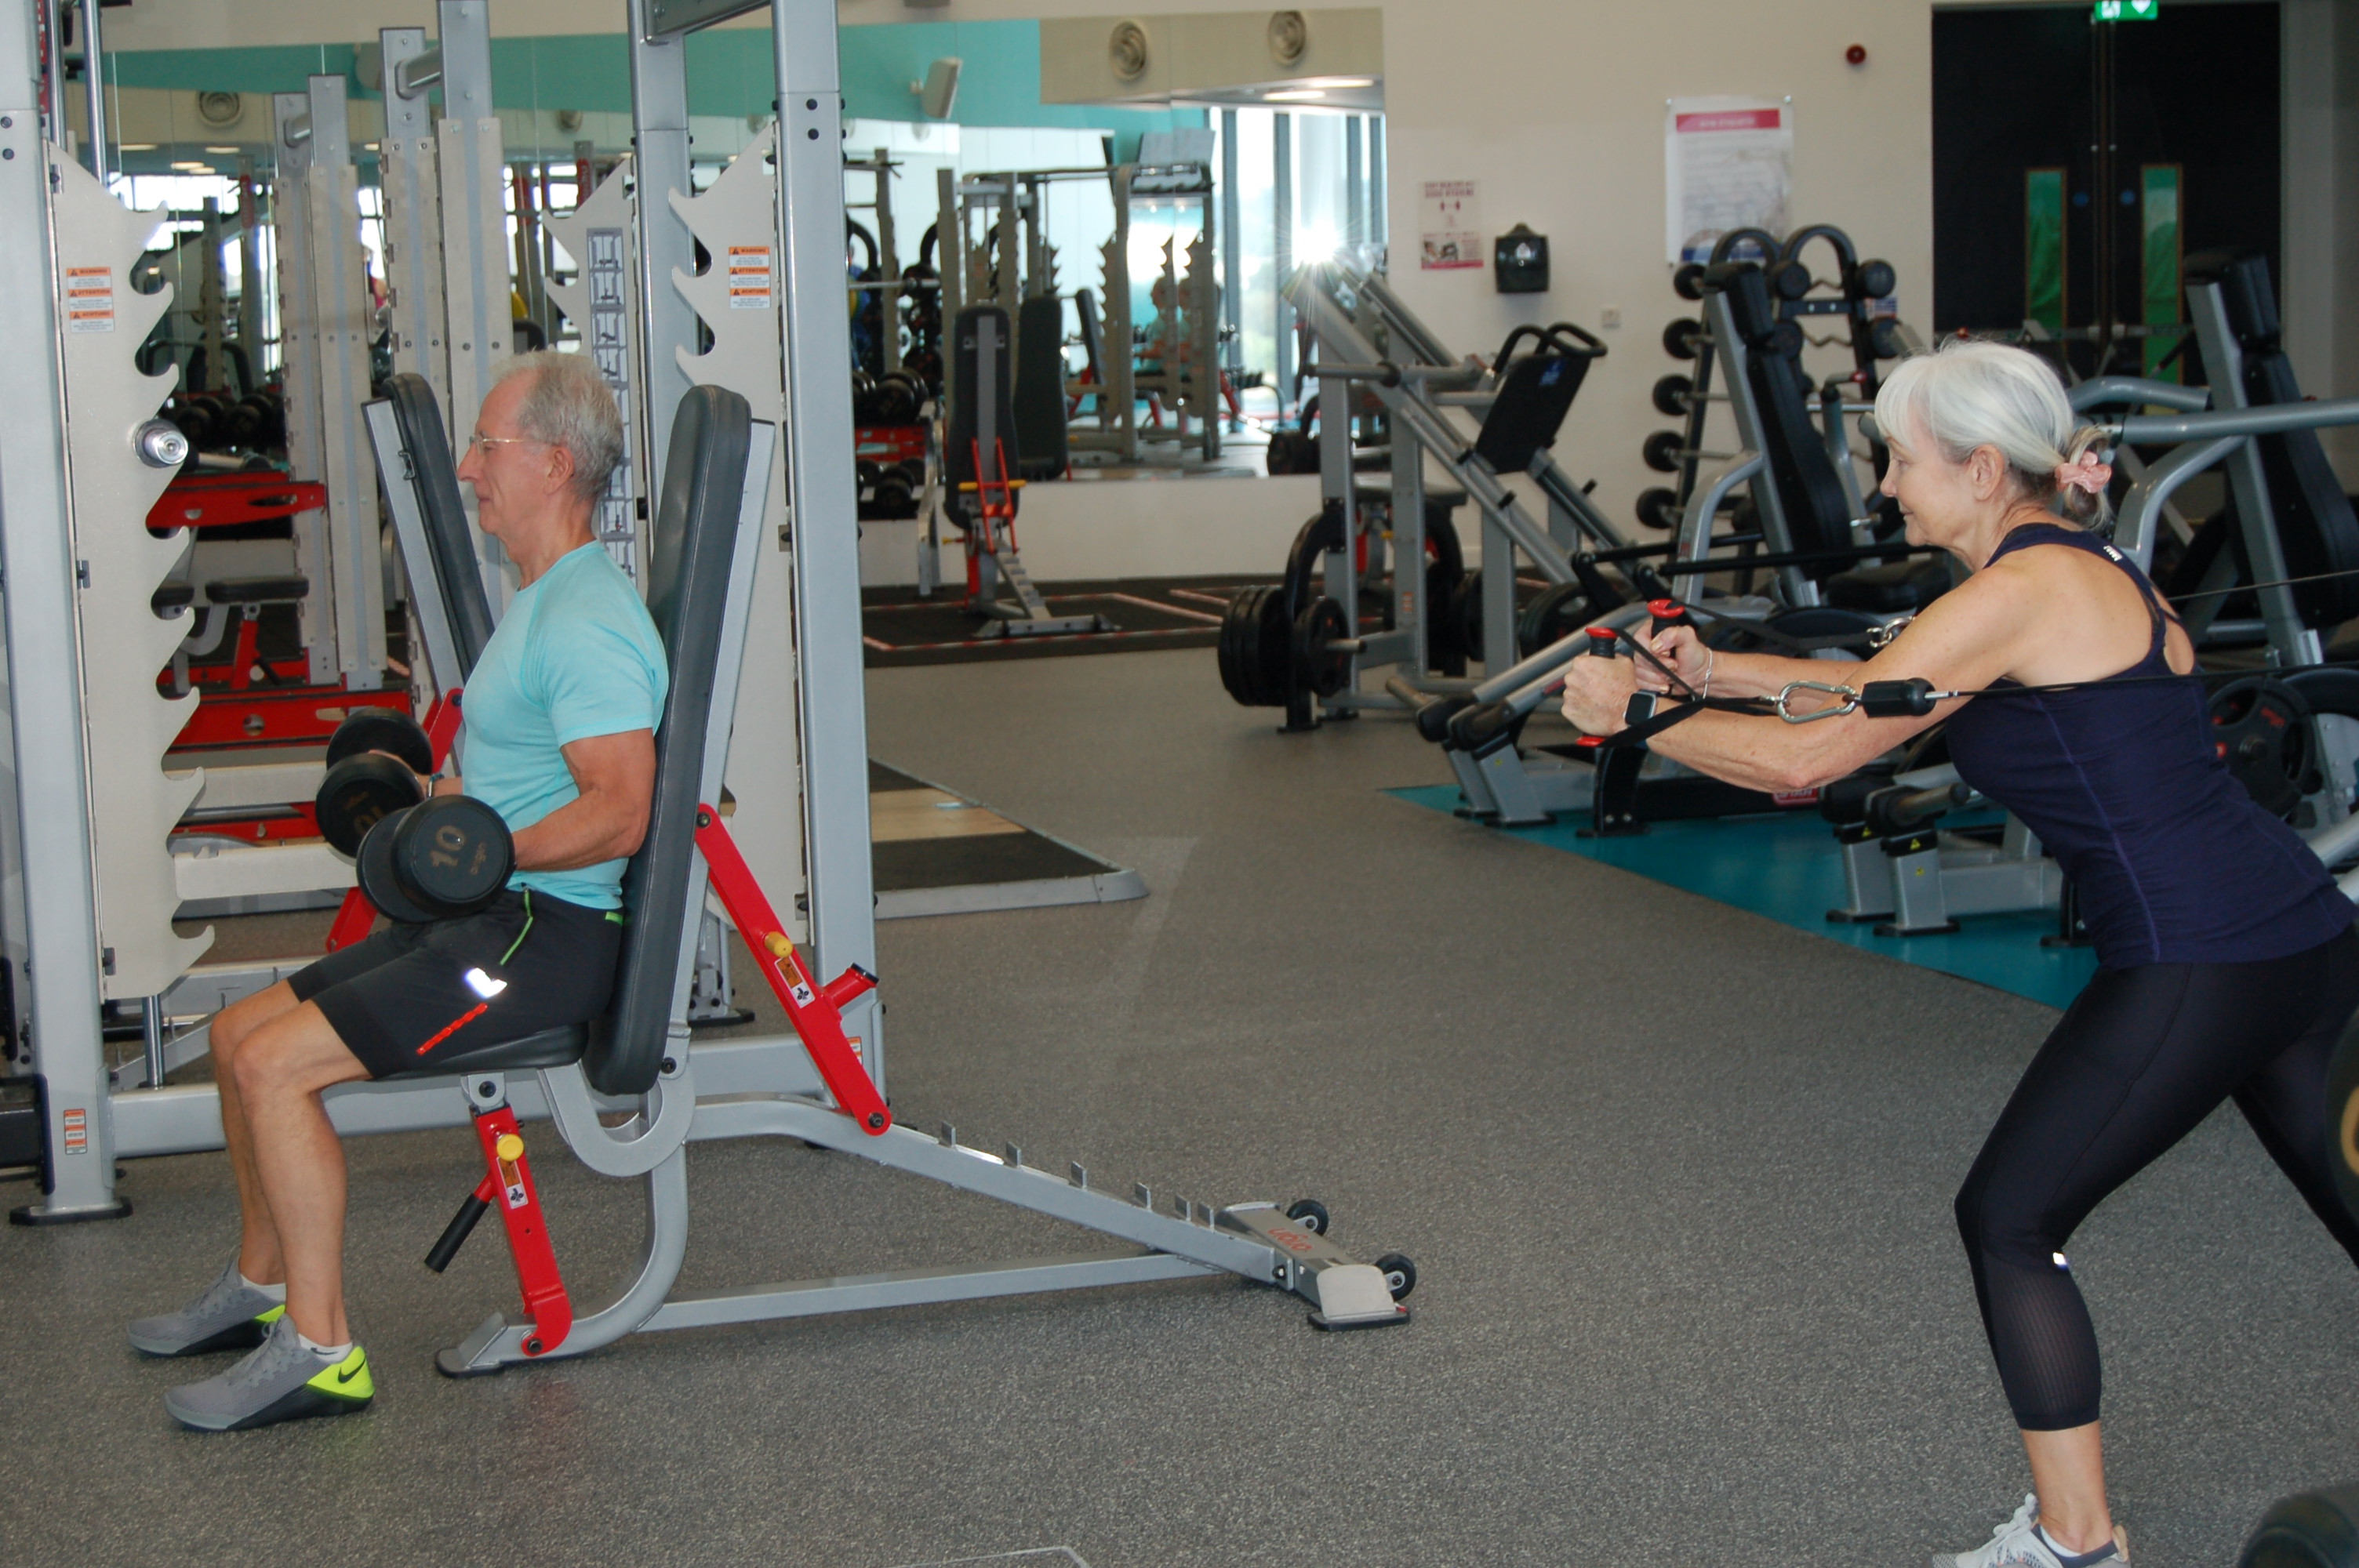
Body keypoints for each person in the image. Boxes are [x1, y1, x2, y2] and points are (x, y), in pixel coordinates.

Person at [1561, 338, 2359, 1568]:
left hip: (2197, 953)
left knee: (2011, 1217)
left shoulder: (2013, 595)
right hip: (2300, 933)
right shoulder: (2068, 566)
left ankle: (2076, 1542)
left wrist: (1640, 721)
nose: (1885, 485)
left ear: (1983, 470)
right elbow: (1874, 690)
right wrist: (1713, 671)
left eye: (1901, 460)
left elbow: (1807, 762)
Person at [128, 352, 669, 1432]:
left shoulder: (588, 621)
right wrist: (426, 803)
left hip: (540, 939)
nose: (468, 468)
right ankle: (262, 1285)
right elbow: (520, 788)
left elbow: (618, 812)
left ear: (553, 464)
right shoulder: (542, 603)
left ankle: (321, 1351)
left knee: (278, 1069)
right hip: (491, 915)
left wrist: (482, 854)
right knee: (237, 1037)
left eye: (487, 447)